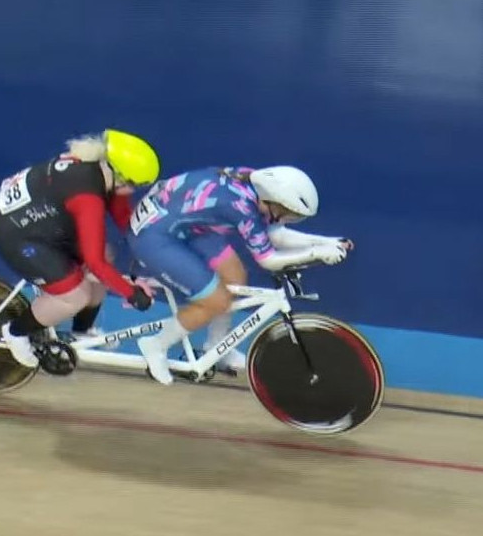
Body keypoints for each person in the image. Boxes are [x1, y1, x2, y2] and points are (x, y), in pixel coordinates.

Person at [125, 165, 352, 385]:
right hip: (154, 237)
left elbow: (276, 234)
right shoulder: (240, 207)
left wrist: (327, 242)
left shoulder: (254, 183)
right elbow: (268, 259)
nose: (288, 219)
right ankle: (155, 345)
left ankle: (216, 347)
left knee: (234, 276)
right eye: (289, 214)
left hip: (183, 221)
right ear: (275, 201)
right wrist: (316, 253)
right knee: (216, 301)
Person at [0, 128, 160, 368]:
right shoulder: (87, 197)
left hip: (43, 220)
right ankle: (15, 332)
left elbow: (124, 217)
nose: (133, 191)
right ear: (120, 176)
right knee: (75, 296)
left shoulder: (101, 168)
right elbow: (95, 264)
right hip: (16, 233)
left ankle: (81, 331)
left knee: (106, 254)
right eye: (134, 185)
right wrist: (131, 293)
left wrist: (153, 242)